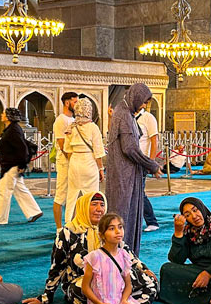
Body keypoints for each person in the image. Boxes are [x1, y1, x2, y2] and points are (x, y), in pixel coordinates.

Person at [24, 191, 159, 304]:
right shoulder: (68, 232)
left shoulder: (108, 228)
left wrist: (143, 268)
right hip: (83, 282)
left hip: (111, 278)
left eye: (102, 205)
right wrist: (47, 295)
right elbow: (58, 266)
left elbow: (125, 252)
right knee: (79, 291)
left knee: (150, 281)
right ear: (83, 207)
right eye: (94, 204)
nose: (99, 209)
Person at [105, 83, 160, 255]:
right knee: (123, 216)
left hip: (127, 174)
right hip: (124, 176)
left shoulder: (125, 113)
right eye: (143, 102)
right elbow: (129, 148)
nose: (143, 106)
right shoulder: (124, 115)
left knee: (126, 215)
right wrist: (151, 164)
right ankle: (122, 256)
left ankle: (126, 256)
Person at [80, 213, 155, 304]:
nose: (117, 231)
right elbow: (85, 287)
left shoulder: (124, 255)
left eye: (120, 227)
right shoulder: (94, 257)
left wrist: (124, 300)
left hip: (121, 302)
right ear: (102, 235)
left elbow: (128, 285)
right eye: (111, 228)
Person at [159, 197, 211, 304]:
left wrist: (208, 274)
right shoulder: (188, 231)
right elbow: (176, 260)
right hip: (198, 271)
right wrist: (178, 233)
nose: (194, 216)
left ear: (201, 208)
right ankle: (207, 298)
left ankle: (210, 297)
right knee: (167, 269)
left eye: (195, 210)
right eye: (188, 215)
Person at [0, 108, 43, 226]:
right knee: (20, 189)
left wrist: (22, 164)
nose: (1, 115)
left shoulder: (13, 130)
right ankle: (35, 211)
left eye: (4, 113)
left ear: (9, 117)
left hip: (12, 165)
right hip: (11, 164)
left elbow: (22, 148)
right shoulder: (12, 129)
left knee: (4, 191)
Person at [64, 98, 105, 223]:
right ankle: (91, 224)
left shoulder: (71, 127)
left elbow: (67, 150)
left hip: (74, 162)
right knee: (91, 197)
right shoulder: (93, 128)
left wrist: (73, 162)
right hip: (89, 163)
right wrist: (101, 169)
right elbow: (98, 152)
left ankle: (69, 224)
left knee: (72, 196)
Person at [52, 91, 78, 228]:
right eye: (75, 102)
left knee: (74, 195)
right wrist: (72, 160)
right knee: (61, 195)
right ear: (67, 103)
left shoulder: (74, 120)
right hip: (64, 162)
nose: (77, 105)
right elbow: (62, 145)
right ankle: (59, 228)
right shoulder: (61, 120)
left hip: (73, 162)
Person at [135, 101, 160, 232]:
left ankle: (152, 221)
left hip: (142, 161)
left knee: (139, 192)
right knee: (134, 192)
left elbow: (154, 141)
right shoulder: (129, 117)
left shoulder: (148, 118)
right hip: (130, 161)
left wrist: (151, 163)